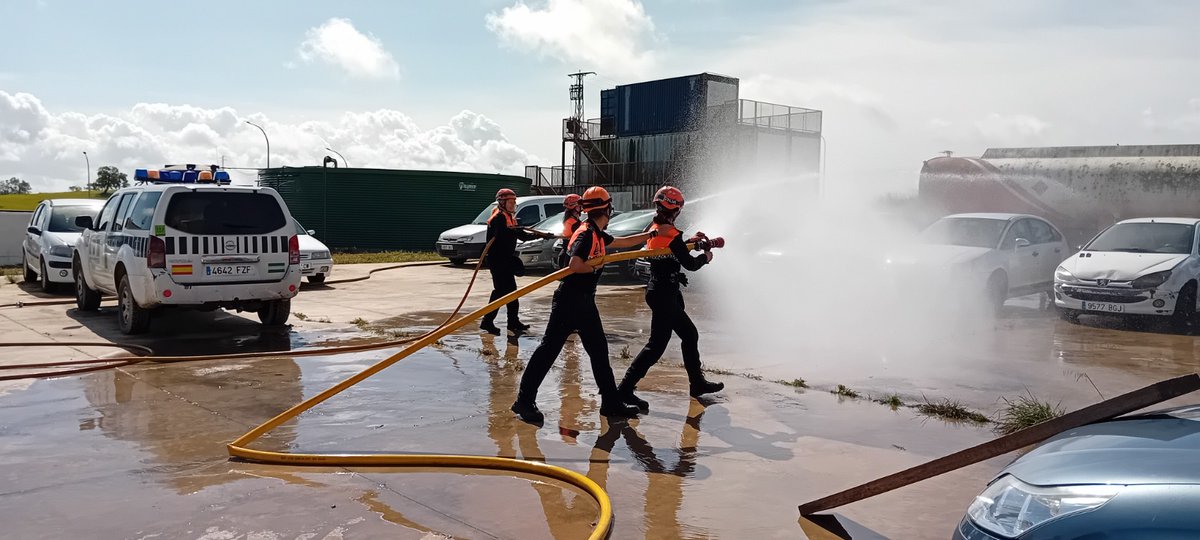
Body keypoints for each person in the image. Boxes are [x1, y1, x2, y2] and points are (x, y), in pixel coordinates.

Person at [512, 186, 656, 424]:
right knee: (548, 352)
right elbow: (574, 264)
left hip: (585, 302)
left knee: (599, 352)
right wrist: (594, 267)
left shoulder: (598, 232)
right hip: (569, 302)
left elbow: (620, 242)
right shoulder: (586, 233)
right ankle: (524, 401)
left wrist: (648, 236)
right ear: (606, 209)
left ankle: (610, 403)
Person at [617, 186, 723, 411]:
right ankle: (625, 389)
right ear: (675, 211)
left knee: (679, 338)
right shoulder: (672, 235)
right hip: (665, 294)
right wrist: (706, 256)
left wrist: (691, 241)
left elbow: (672, 250)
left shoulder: (655, 228)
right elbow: (690, 264)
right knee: (664, 344)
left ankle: (697, 384)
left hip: (661, 291)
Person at [481, 188, 554, 336]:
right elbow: (503, 234)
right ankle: (488, 321)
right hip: (498, 261)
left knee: (511, 292)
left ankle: (512, 322)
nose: (513, 204)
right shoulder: (498, 218)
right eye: (510, 201)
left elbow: (522, 236)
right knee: (501, 293)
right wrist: (517, 229)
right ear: (502, 202)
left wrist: (541, 236)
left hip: (506, 260)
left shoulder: (509, 217)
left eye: (514, 201)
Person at [557, 193, 583, 269]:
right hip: (569, 256)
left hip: (566, 254)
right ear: (576, 207)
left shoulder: (570, 220)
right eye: (580, 205)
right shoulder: (574, 223)